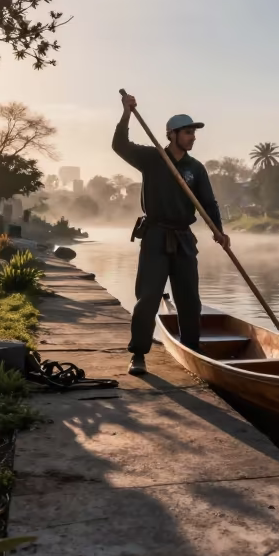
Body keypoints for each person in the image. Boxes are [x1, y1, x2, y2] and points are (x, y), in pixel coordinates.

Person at [112, 94, 230, 374]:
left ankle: (193, 349)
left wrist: (219, 231)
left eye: (193, 133)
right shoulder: (153, 158)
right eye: (188, 132)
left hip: (183, 238)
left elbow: (208, 203)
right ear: (171, 134)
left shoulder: (195, 168)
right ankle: (139, 353)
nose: (192, 137)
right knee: (148, 297)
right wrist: (127, 113)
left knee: (189, 299)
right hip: (155, 235)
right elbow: (119, 145)